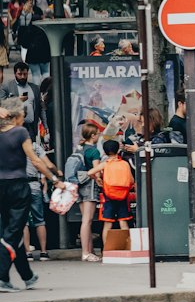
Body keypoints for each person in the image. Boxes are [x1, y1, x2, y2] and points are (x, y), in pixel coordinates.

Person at [0, 104, 60, 291]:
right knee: (11, 234)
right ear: (17, 117)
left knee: (13, 231)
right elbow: (35, 160)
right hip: (18, 186)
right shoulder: (20, 133)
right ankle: (1, 276)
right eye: (23, 117)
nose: (24, 120)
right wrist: (54, 179)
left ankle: (27, 276)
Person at [64, 120, 104, 260]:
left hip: (78, 184)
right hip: (89, 184)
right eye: (98, 134)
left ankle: (89, 251)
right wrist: (99, 179)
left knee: (85, 220)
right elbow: (96, 171)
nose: (99, 136)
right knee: (87, 220)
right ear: (93, 136)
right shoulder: (94, 151)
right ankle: (86, 253)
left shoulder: (80, 148)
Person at [98, 138, 134, 249]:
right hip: (123, 196)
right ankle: (127, 247)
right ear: (118, 150)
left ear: (104, 152)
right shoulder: (124, 164)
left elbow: (90, 172)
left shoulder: (105, 164)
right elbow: (131, 180)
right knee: (123, 222)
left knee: (107, 224)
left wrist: (98, 178)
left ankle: (106, 249)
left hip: (108, 196)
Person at [24, 132, 51, 260]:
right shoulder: (35, 147)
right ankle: (44, 252)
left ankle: (27, 252)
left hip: (20, 186)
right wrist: (55, 175)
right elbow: (47, 164)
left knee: (24, 222)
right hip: (34, 185)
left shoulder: (12, 145)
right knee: (39, 220)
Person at [0, 62, 41, 137]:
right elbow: (2, 106)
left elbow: (40, 108)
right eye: (20, 74)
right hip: (13, 127)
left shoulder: (35, 88)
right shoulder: (6, 87)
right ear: (15, 73)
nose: (22, 77)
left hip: (30, 128)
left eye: (25, 74)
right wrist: (17, 100)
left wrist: (45, 125)